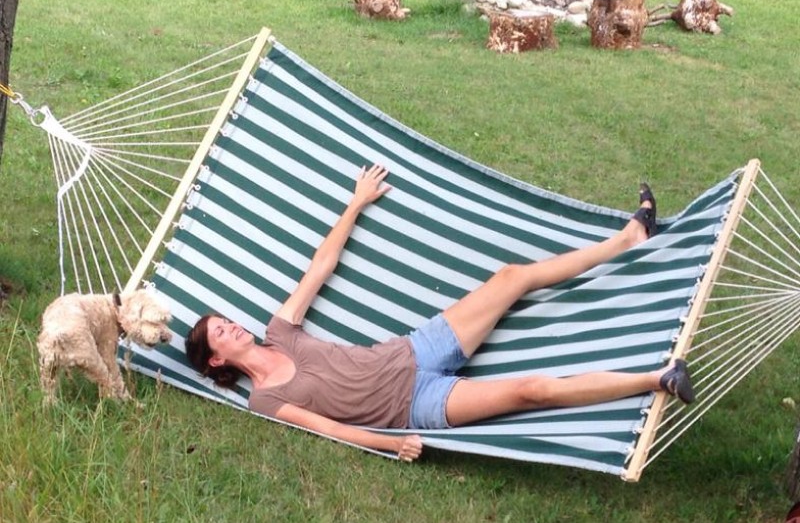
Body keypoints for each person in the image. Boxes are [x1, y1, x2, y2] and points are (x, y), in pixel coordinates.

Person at [185, 164, 694, 462]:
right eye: (220, 333)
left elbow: (321, 266)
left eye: (226, 321)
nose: (232, 326)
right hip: (416, 404)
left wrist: (356, 203)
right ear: (216, 360)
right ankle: (659, 378)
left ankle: (629, 238)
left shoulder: (280, 331)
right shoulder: (267, 400)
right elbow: (331, 429)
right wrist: (390, 445)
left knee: (511, 276)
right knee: (530, 391)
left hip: (413, 350)